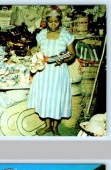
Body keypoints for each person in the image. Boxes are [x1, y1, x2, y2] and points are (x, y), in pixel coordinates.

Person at [27, 5, 76, 136]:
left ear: (60, 20)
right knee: (46, 98)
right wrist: (34, 51)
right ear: (46, 20)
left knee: (56, 98)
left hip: (59, 72)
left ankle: (55, 127)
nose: (53, 24)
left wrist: (64, 60)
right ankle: (47, 125)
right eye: (50, 21)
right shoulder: (41, 35)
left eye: (56, 21)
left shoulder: (66, 35)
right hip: (44, 72)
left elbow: (72, 54)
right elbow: (37, 50)